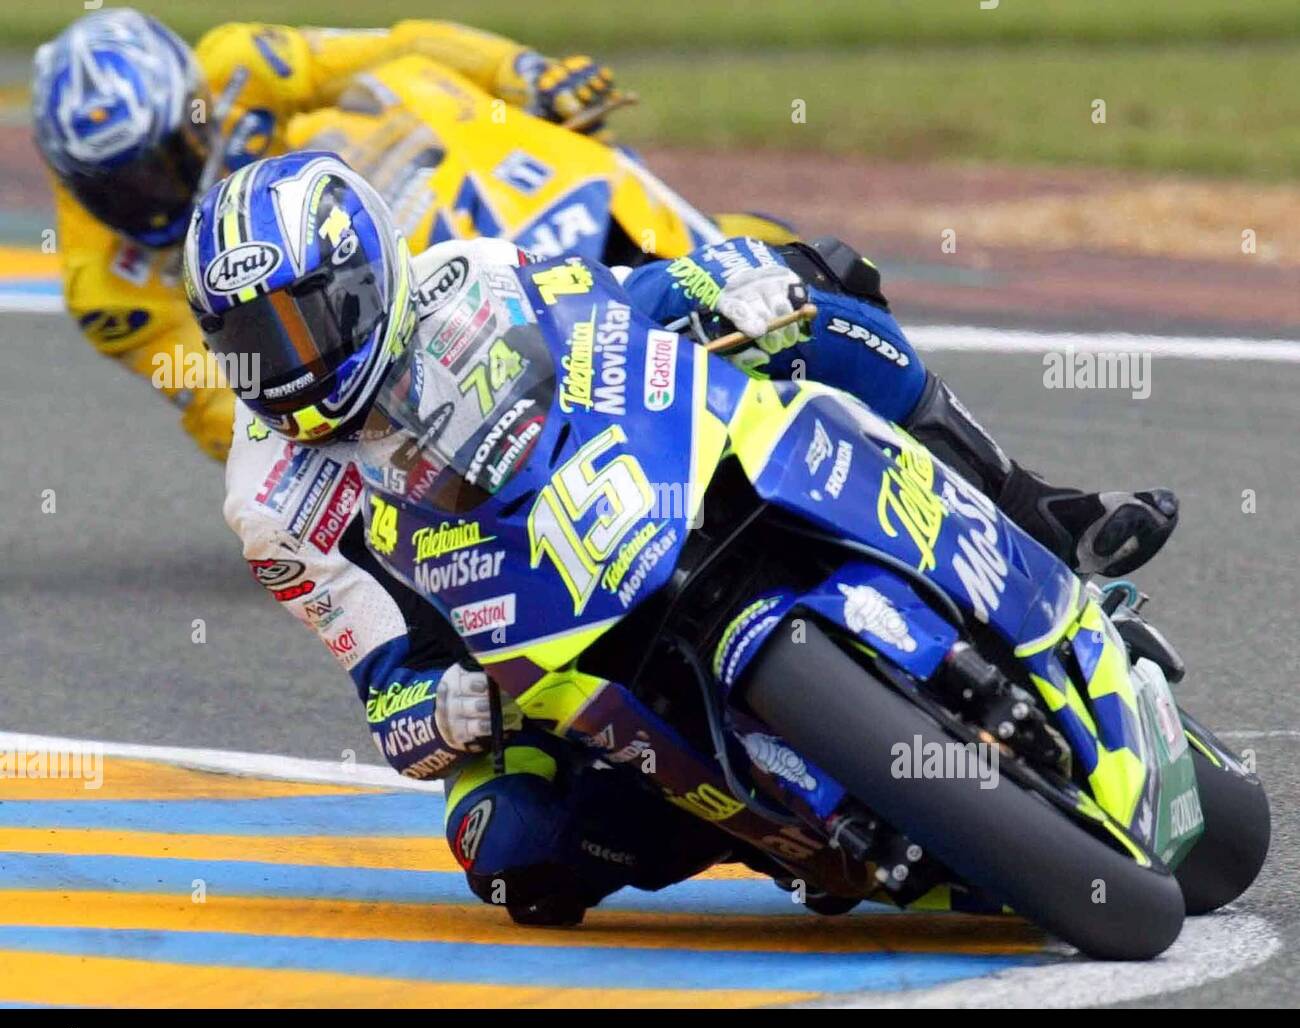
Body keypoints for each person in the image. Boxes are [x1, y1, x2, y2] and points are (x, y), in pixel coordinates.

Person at [185, 151, 1178, 924]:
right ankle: (790, 836)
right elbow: (387, 687)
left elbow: (631, 305)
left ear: (363, 283)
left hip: (629, 488)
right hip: (500, 636)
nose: (275, 367)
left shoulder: (470, 277)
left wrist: (734, 279)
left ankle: (1029, 506)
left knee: (824, 293)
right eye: (242, 342)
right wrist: (444, 709)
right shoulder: (270, 498)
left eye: (292, 327)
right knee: (515, 859)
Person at [31, 7, 619, 462]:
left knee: (406, 99)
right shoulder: (102, 288)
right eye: (112, 187)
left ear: (193, 109)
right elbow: (223, 407)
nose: (145, 198)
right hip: (308, 332)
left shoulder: (241, 63)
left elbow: (398, 49)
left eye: (156, 165)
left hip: (345, 213)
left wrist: (520, 73)